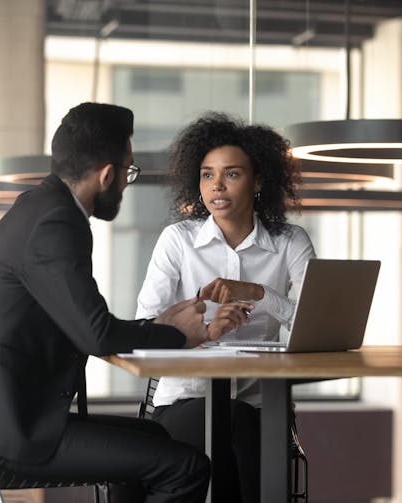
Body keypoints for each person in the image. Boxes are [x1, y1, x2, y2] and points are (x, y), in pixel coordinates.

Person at [0, 102, 211, 502]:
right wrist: (177, 335)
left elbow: (84, 323)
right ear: (106, 174)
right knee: (187, 467)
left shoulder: (40, 207)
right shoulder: (57, 223)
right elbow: (96, 334)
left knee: (153, 438)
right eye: (128, 173)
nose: (125, 184)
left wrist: (164, 323)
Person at [136, 112, 316, 502]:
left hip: (261, 404)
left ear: (259, 181)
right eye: (207, 174)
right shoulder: (177, 241)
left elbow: (314, 326)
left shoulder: (290, 242)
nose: (216, 185)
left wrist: (257, 291)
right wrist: (202, 329)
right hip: (184, 400)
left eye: (231, 174)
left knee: (243, 420)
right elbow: (146, 323)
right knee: (235, 422)